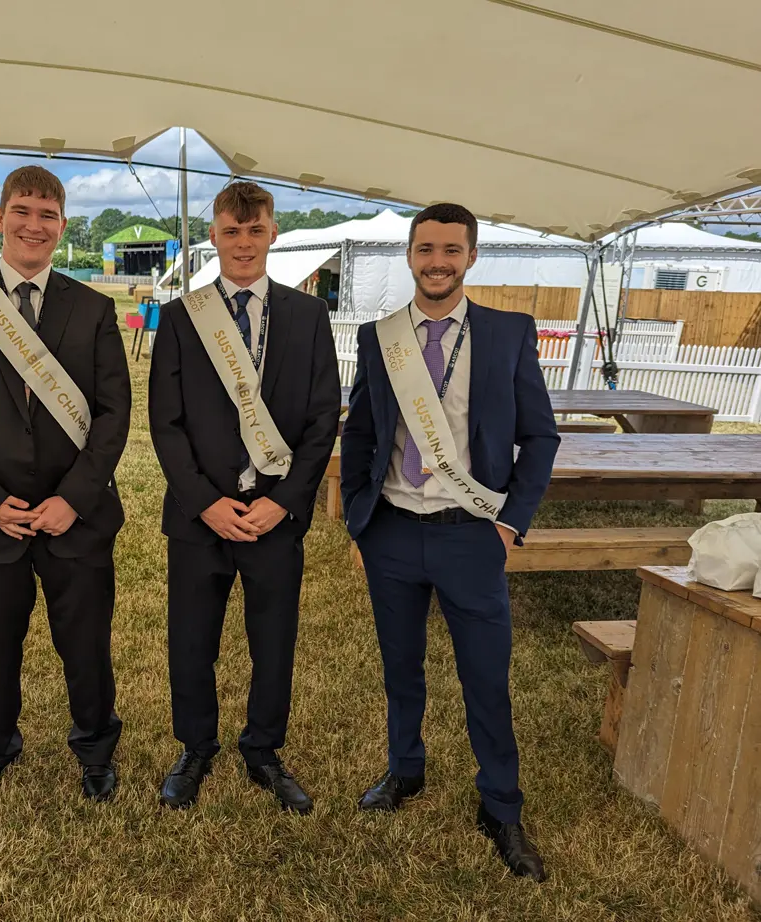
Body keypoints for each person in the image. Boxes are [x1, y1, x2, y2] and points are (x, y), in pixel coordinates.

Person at [340, 203, 559, 881]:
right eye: (426, 248)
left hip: (473, 536)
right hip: (395, 533)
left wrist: (507, 522)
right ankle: (404, 770)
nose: (437, 261)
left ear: (471, 257)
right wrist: (358, 518)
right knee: (401, 670)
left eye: (451, 250)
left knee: (485, 678)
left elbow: (541, 437)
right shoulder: (382, 337)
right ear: (409, 254)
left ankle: (500, 805)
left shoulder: (506, 333)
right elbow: (362, 432)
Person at [0, 166, 131, 802]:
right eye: (22, 211)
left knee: (87, 645)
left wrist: (75, 498)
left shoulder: (93, 308)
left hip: (76, 516)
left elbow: (113, 412)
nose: (34, 225)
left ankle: (95, 749)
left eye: (47, 215)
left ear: (62, 227)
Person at [148, 181, 341, 813]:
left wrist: (282, 501)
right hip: (200, 515)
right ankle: (195, 747)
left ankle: (263, 750)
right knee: (192, 640)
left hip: (273, 516)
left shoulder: (308, 316)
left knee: (274, 640)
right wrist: (204, 501)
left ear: (273, 234)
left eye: (254, 231)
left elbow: (320, 421)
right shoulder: (181, 316)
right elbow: (165, 422)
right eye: (231, 231)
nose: (243, 243)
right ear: (213, 235)